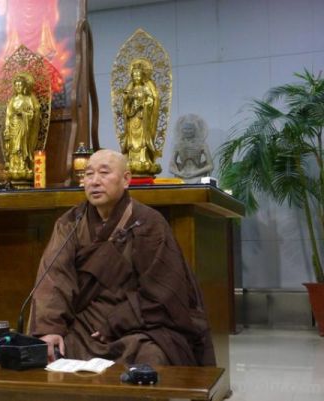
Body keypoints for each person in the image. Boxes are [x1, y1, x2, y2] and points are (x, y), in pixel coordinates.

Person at [29, 149, 215, 366]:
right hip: (85, 326)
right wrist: (50, 329)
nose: (95, 181)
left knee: (152, 356)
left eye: (104, 173)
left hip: (138, 326)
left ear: (126, 179)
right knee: (54, 351)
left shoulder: (149, 224)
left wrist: (118, 320)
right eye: (89, 175)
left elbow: (165, 292)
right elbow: (53, 279)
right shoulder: (70, 224)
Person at [122, 59, 161, 175]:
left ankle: (143, 158)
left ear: (143, 75)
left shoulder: (146, 88)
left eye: (138, 74)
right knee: (131, 139)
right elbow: (126, 105)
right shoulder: (130, 90)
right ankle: (131, 158)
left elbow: (151, 101)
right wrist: (127, 101)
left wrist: (144, 104)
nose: (136, 77)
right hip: (132, 119)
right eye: (134, 75)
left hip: (142, 118)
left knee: (143, 139)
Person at [3, 73, 40, 178]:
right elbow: (8, 116)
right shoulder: (12, 100)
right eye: (16, 85)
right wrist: (6, 128)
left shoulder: (28, 99)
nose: (18, 87)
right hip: (12, 126)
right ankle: (13, 165)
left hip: (23, 126)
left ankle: (23, 164)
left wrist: (23, 114)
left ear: (24, 86)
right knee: (12, 147)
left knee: (21, 146)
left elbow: (32, 114)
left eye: (20, 85)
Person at [169, 114, 214, 183]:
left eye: (190, 129)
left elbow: (210, 165)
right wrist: (179, 173)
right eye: (185, 129)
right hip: (182, 176)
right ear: (181, 130)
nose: (188, 131)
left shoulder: (202, 144)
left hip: (198, 176)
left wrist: (195, 173)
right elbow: (171, 167)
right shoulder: (178, 145)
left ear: (195, 130)